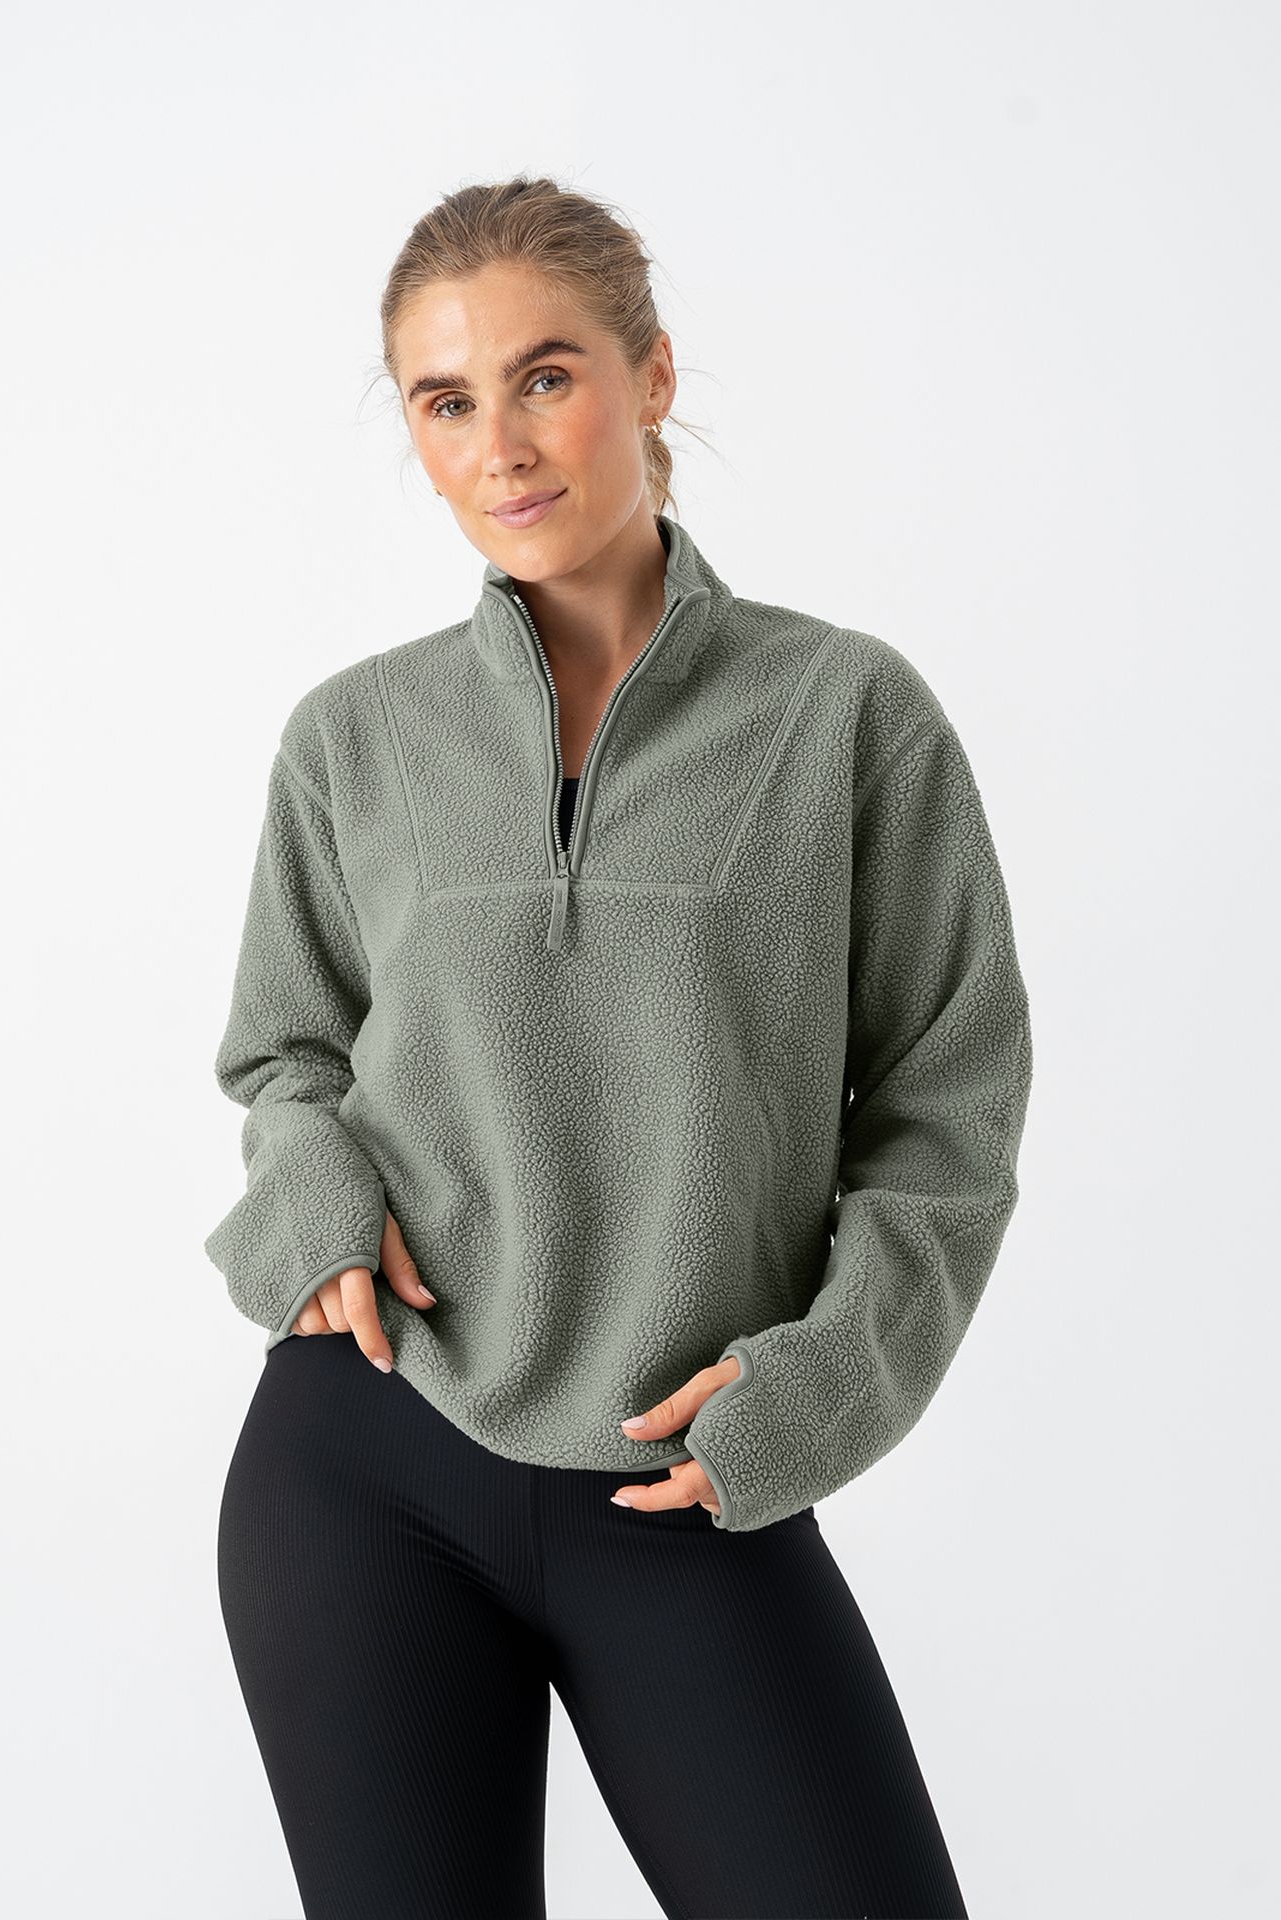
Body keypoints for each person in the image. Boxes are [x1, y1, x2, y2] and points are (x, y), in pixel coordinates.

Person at [207, 176, 1032, 1920]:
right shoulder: (354, 738)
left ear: (652, 376)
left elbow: (945, 1111)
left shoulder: (845, 715)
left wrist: (826, 1382)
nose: (501, 446)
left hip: (688, 1476)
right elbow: (287, 1053)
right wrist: (316, 1201)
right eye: (446, 402)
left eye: (545, 377)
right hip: (368, 1462)